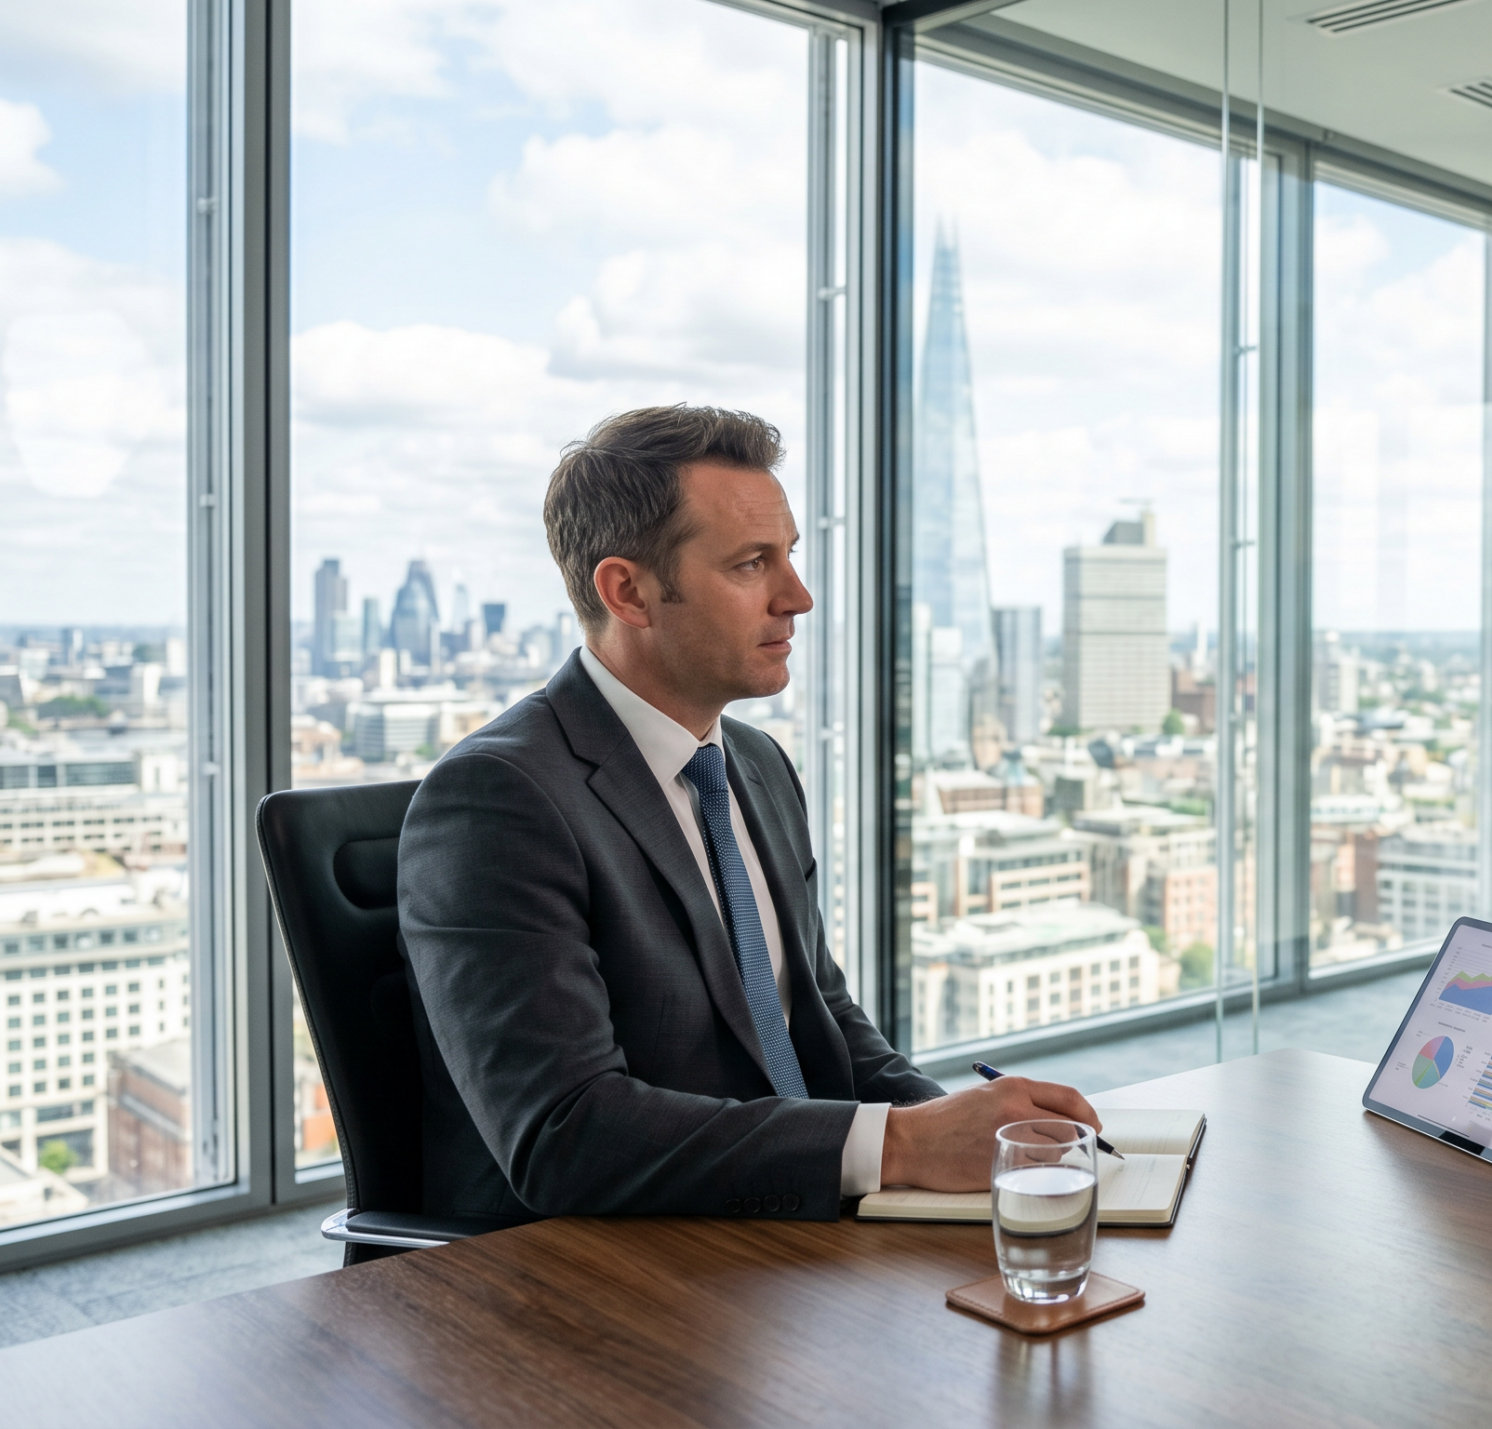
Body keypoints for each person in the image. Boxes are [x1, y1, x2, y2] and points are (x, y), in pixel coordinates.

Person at [399, 405, 1098, 1223]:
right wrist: (903, 1145)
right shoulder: (496, 800)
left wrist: (987, 1137)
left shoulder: (755, 764)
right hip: (607, 1281)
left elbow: (823, 1015)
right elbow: (567, 1134)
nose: (796, 596)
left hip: (785, 1237)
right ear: (628, 592)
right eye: (750, 564)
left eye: (789, 555)